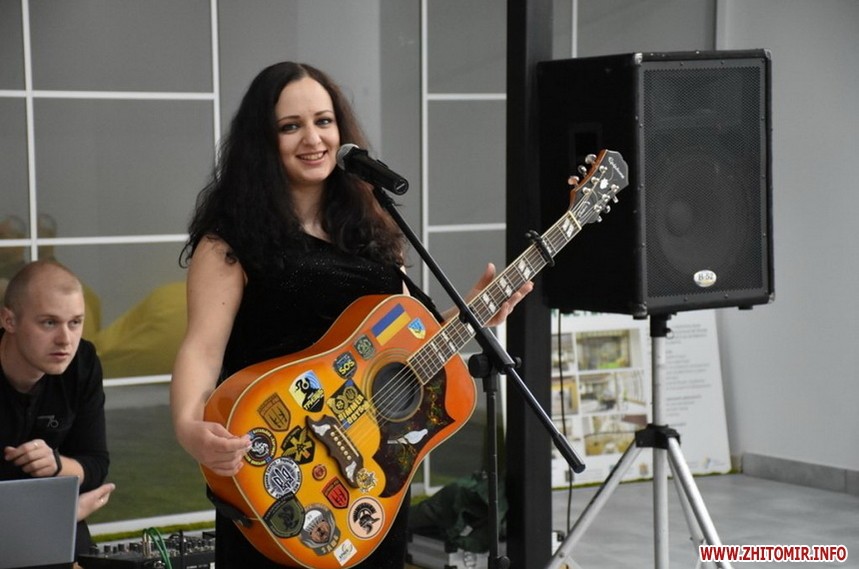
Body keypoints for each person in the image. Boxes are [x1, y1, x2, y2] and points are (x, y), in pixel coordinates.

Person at [170, 61, 532, 569]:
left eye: (324, 121)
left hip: (371, 480)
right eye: (290, 126)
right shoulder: (230, 242)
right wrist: (189, 427)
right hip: (280, 471)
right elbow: (202, 350)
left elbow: (406, 343)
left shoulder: (372, 229)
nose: (313, 138)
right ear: (262, 142)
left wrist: (473, 313)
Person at [1, 260, 114, 558]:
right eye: (49, 323)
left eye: (75, 322)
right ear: (9, 320)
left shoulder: (82, 363)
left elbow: (96, 463)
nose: (65, 340)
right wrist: (64, 513)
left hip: (52, 518)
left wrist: (56, 464)